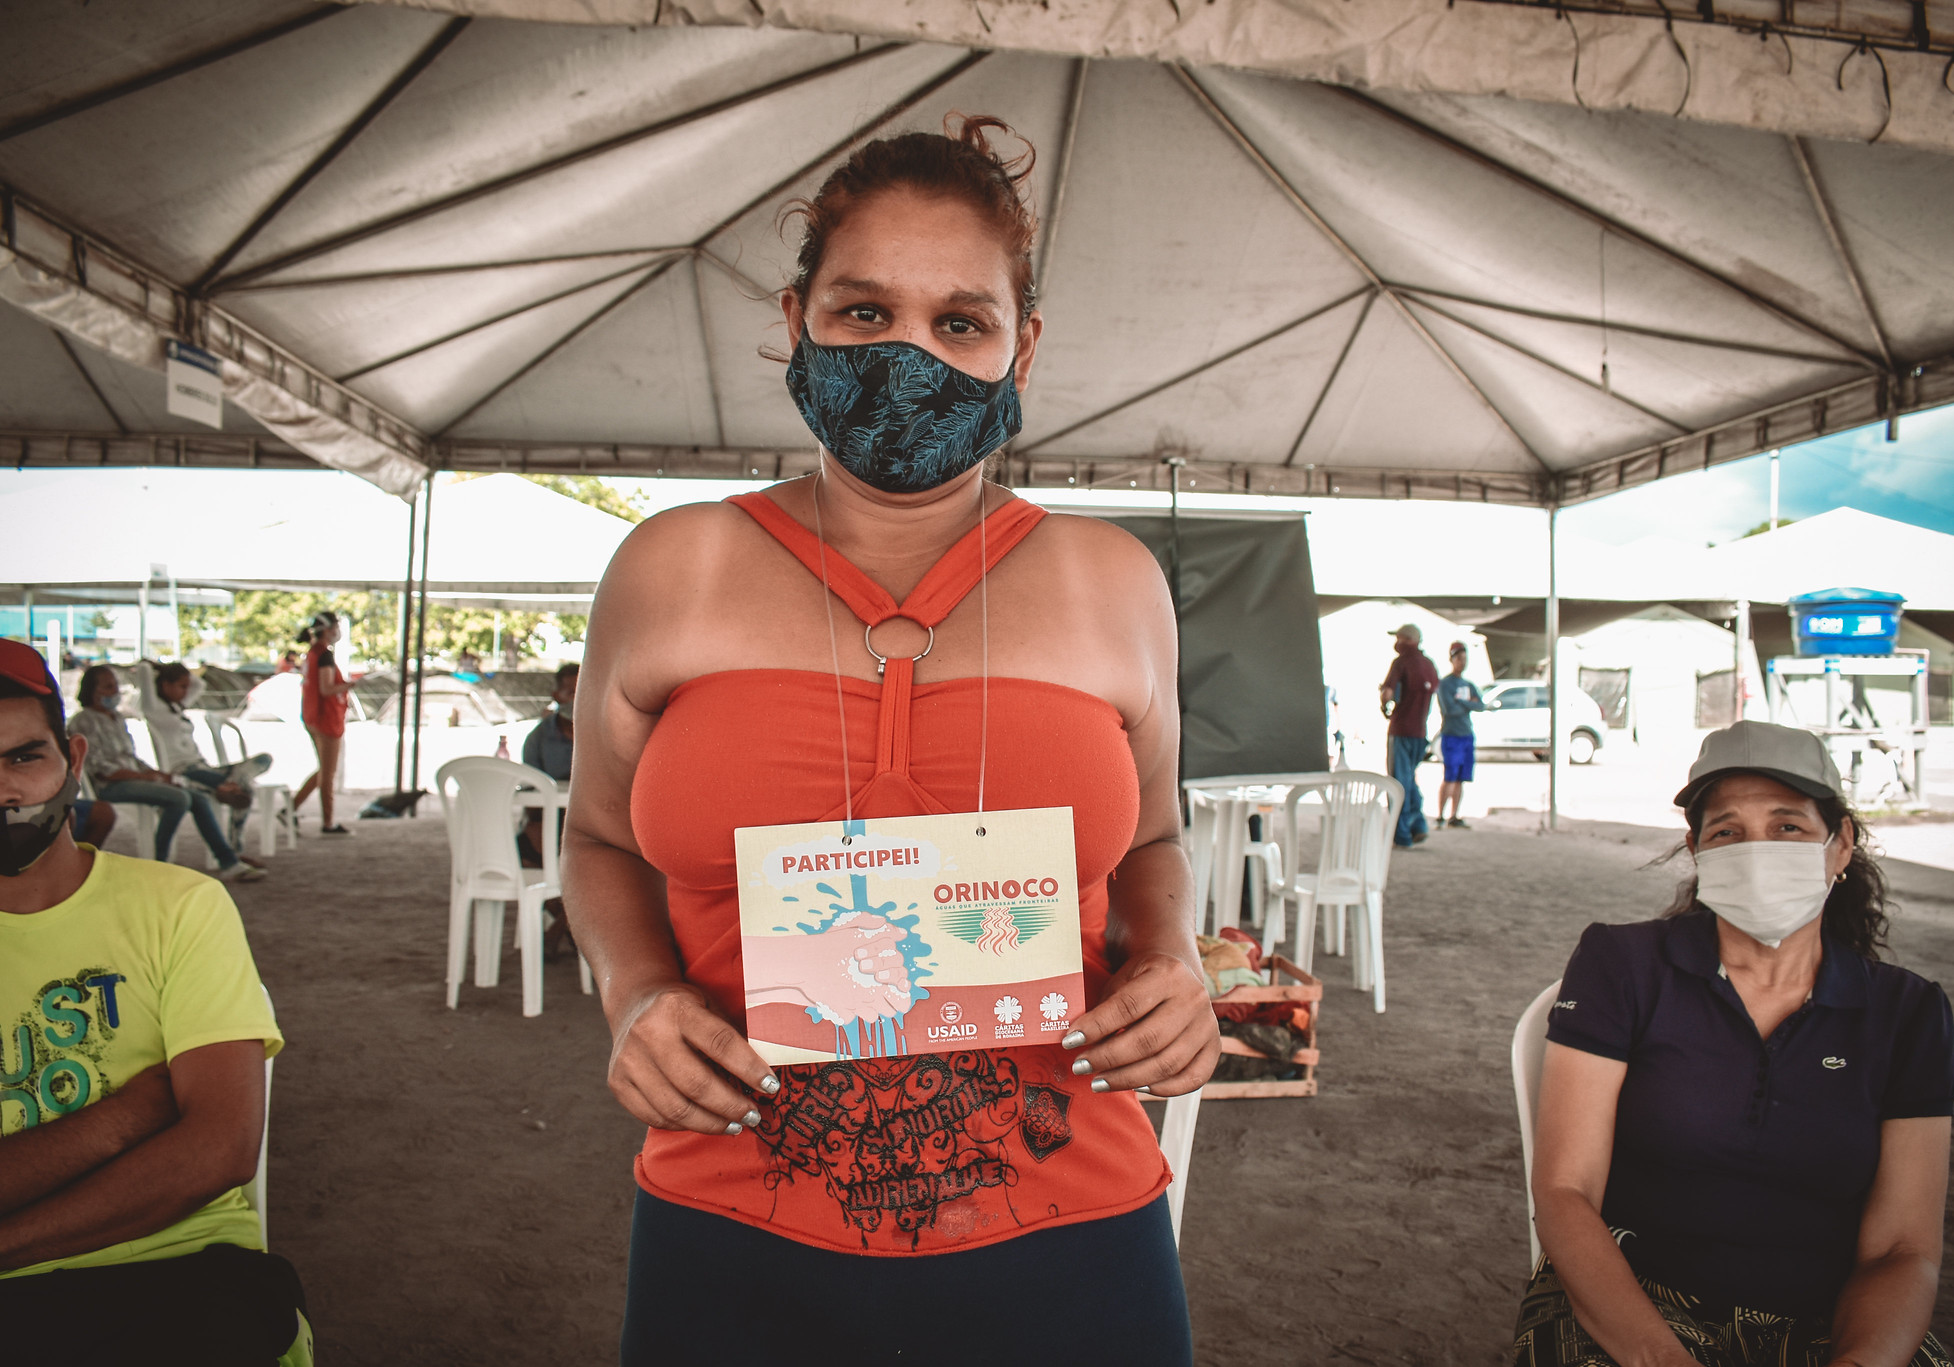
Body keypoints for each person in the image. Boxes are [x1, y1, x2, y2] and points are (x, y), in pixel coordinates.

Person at [566, 116, 1217, 1365]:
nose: (909, 354)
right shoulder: (672, 566)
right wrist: (633, 994)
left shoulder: (1110, 578)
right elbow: (598, 836)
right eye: (865, 313)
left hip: (1071, 1231)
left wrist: (1173, 961)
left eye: (958, 322)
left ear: (1019, 346)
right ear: (798, 315)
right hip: (729, 1227)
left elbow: (1153, 835)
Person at [1516, 721, 1954, 1367]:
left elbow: (1904, 1248)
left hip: (1829, 1316)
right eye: (1727, 831)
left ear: (1841, 846)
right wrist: (1661, 1359)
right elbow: (1564, 1190)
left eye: (1788, 826)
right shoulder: (1622, 964)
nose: (1758, 851)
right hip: (1636, 1301)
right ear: (1697, 848)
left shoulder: (1908, 1013)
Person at [0, 640, 307, 1362]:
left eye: (23, 758)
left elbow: (222, 1147)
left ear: (74, 760)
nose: (5, 792)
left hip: (183, 1268)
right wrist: (127, 1117)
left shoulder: (180, 907)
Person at [68, 666, 266, 883]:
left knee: (198, 799)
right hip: (112, 784)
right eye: (108, 686)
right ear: (91, 690)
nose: (114, 691)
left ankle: (228, 861)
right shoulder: (84, 720)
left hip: (136, 776)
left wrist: (153, 773)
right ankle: (160, 862)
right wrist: (145, 777)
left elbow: (130, 757)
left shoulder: (116, 718)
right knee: (179, 798)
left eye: (115, 685)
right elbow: (101, 769)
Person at [140, 662, 273, 864]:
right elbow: (143, 672)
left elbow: (199, 684)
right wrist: (156, 667)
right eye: (180, 686)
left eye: (186, 686)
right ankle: (234, 848)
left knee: (264, 759)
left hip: (203, 767)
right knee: (246, 790)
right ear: (165, 685)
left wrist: (174, 671)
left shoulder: (178, 707)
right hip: (183, 770)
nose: (186, 691)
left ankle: (230, 784)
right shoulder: (154, 710)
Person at [520, 663, 576, 959]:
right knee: (522, 851)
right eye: (570, 692)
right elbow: (528, 790)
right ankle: (568, 921)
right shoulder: (539, 737)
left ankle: (560, 928)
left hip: (591, 823)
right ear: (556, 695)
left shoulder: (605, 733)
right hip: (548, 823)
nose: (577, 699)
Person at [290, 612, 351, 836]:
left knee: (324, 770)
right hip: (326, 719)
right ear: (327, 629)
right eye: (335, 626)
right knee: (328, 772)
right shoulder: (323, 655)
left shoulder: (313, 654)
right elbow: (326, 689)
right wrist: (349, 687)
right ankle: (328, 822)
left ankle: (291, 808)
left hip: (313, 716)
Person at [1379, 623, 1438, 848]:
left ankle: (1402, 833)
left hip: (1401, 730)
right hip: (1420, 732)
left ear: (1406, 640)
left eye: (1399, 638)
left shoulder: (1400, 663)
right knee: (1409, 780)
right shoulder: (1429, 665)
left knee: (1398, 782)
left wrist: (1385, 703)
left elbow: (1388, 693)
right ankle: (1418, 825)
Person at [1435, 641, 1481, 830]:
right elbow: (1449, 709)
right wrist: (1467, 703)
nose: (1463, 662)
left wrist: (1463, 702)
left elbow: (1481, 705)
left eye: (1465, 659)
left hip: (1467, 734)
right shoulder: (1445, 684)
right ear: (1452, 660)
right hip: (1451, 734)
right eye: (1459, 659)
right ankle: (1440, 815)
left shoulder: (1468, 684)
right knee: (1450, 776)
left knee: (1462, 777)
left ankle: (1454, 815)